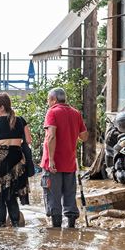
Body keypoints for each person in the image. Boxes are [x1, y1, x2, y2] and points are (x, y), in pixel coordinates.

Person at [0, 92, 33, 227]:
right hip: (17, 159)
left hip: (1, 160)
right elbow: (28, 140)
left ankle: (1, 227)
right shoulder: (21, 120)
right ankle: (16, 225)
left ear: (2, 107)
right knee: (11, 196)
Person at [41, 87, 88, 228]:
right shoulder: (76, 113)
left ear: (54, 99)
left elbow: (51, 136)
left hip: (54, 163)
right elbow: (84, 136)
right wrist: (71, 135)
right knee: (69, 194)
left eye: (49, 100)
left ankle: (56, 230)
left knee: (52, 196)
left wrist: (52, 159)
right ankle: (71, 227)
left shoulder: (52, 112)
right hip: (70, 162)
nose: (48, 103)